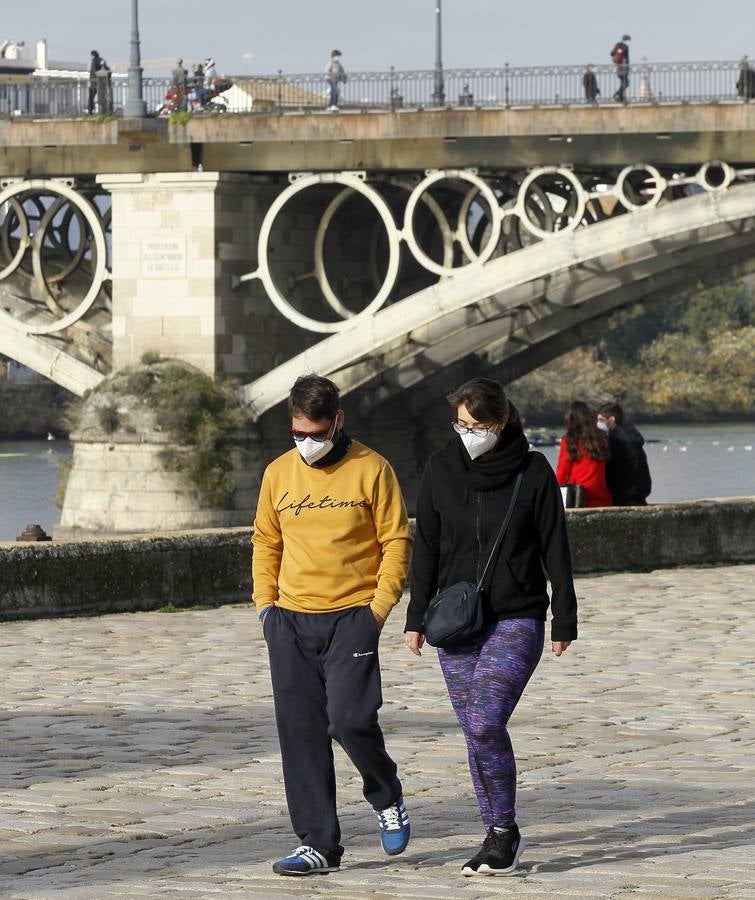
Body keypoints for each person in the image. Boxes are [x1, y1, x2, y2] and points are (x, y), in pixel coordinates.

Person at [405, 377, 577, 877]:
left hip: (516, 617)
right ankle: (495, 831)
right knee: (474, 732)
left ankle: (504, 831)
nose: (467, 433)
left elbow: (556, 549)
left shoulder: (534, 470)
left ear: (501, 423)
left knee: (484, 721)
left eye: (477, 426)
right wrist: (416, 619)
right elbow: (428, 550)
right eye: (460, 424)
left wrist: (563, 615)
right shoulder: (440, 468)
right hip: (455, 624)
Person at [252, 374, 412, 876]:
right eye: (298, 434)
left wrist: (378, 609)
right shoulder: (278, 473)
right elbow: (265, 541)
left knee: (348, 720)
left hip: (353, 617)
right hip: (290, 620)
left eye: (316, 434)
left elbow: (396, 541)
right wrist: (265, 607)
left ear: (337, 421)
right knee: (300, 733)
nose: (307, 444)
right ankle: (318, 843)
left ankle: (385, 791)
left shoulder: (373, 469)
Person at [556, 401, 612, 507]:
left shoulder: (569, 440)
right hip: (602, 497)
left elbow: (561, 473)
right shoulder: (601, 438)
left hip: (580, 497)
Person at [597, 402, 652, 505]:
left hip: (621, 495)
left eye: (601, 420)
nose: (598, 423)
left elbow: (610, 471)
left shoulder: (614, 440)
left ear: (612, 419)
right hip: (640, 494)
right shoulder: (633, 436)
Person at [87, 50, 109, 114]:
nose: (90, 57)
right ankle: (104, 111)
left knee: (91, 98)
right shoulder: (101, 60)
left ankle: (90, 111)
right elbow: (106, 68)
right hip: (102, 82)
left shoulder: (94, 62)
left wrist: (92, 80)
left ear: (93, 55)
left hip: (94, 83)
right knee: (102, 97)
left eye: (90, 56)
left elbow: (93, 72)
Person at [611, 34, 631, 102]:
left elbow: (612, 53)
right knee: (626, 83)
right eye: (629, 40)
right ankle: (618, 95)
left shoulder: (618, 45)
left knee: (624, 82)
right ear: (626, 40)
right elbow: (625, 57)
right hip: (623, 66)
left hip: (619, 66)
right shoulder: (624, 46)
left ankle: (620, 97)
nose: (629, 42)